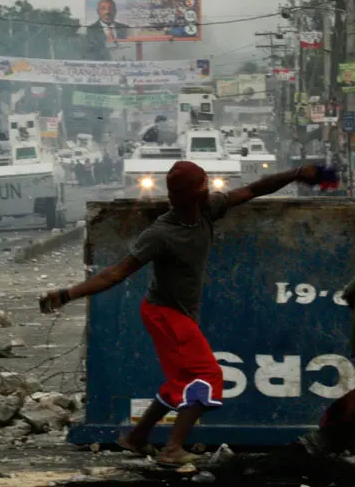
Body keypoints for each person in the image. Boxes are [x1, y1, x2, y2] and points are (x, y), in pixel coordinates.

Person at [40, 161, 327, 467]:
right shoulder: (161, 233)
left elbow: (256, 189)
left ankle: (137, 436)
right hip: (165, 314)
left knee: (181, 379)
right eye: (205, 185)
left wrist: (294, 173)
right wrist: (68, 294)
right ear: (196, 193)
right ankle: (173, 448)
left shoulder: (206, 210)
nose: (211, 189)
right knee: (208, 376)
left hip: (175, 313)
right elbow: (115, 273)